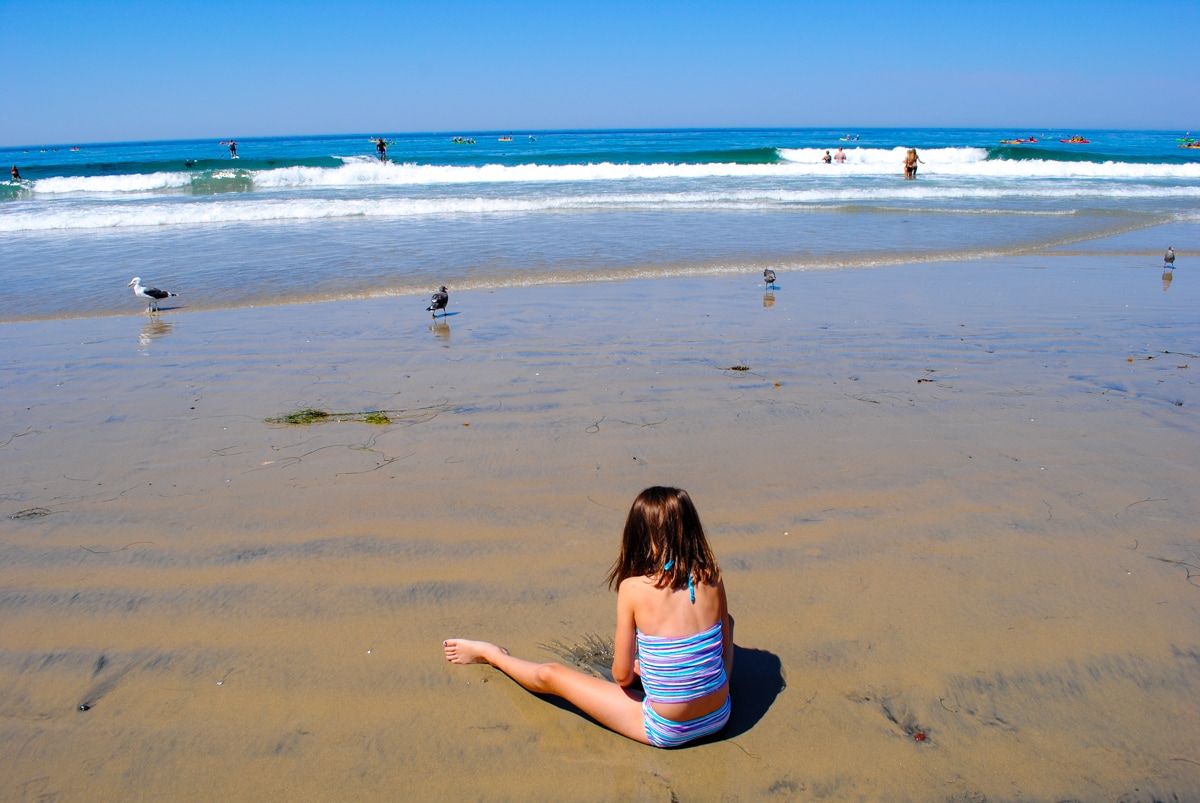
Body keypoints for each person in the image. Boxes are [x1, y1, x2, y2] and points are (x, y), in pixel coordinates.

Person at [443, 486, 733, 748]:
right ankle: (691, 682)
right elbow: (724, 650)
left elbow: (621, 676)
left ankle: (492, 655)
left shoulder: (633, 589)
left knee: (550, 675)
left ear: (639, 535)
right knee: (725, 623)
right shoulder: (713, 576)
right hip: (720, 714)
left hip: (668, 729)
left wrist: (640, 671)